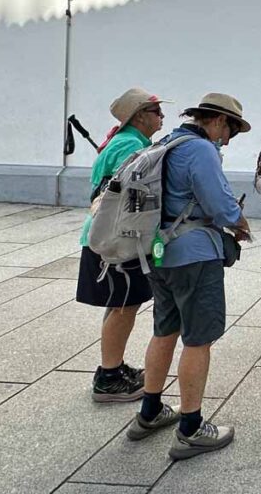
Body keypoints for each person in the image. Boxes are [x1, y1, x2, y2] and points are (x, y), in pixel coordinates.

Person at [128, 93, 252, 459]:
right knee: (199, 338)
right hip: (194, 256)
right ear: (216, 120)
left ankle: (149, 412)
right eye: (230, 130)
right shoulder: (200, 150)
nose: (227, 140)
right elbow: (220, 204)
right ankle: (192, 428)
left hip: (159, 253)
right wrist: (240, 224)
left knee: (164, 330)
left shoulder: (167, 143)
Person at [76, 87, 168, 402]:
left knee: (121, 304)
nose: (162, 117)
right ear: (140, 116)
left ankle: (112, 367)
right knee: (123, 307)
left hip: (106, 236)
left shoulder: (124, 141)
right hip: (115, 240)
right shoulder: (129, 145)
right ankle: (109, 377)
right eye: (156, 111)